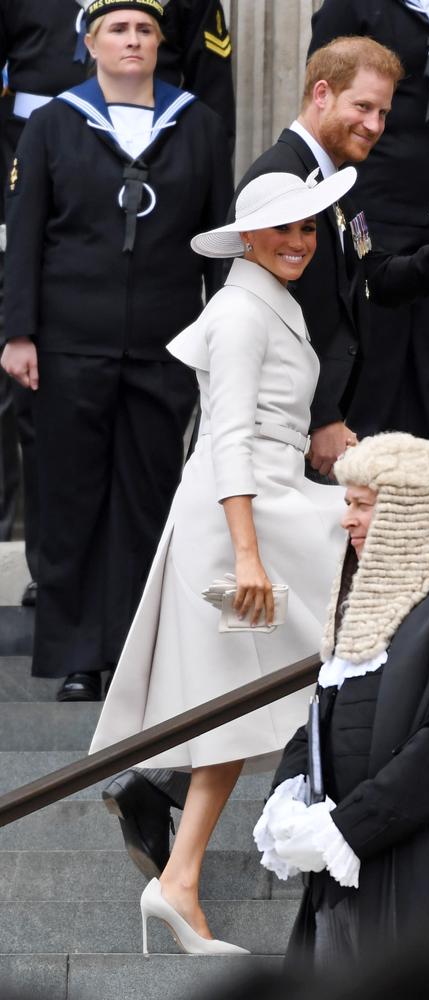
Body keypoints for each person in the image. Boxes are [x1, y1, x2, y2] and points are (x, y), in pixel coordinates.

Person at [101, 32, 429, 879]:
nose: (376, 124)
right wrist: (320, 419)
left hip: (297, 440)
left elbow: (375, 282)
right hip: (277, 450)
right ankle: (276, 785)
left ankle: (192, 779)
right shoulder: (275, 182)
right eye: (363, 107)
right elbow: (256, 341)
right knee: (319, 615)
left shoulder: (334, 195)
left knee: (299, 627)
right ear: (320, 94)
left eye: (385, 113)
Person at [89, 165, 360, 954]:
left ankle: (177, 876)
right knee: (239, 706)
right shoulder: (242, 311)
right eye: (284, 227)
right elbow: (230, 435)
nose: (300, 242)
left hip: (268, 502)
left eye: (309, 228)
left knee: (242, 708)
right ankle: (177, 874)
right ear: (247, 237)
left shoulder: (265, 303)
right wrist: (246, 554)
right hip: (239, 514)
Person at [0, 0, 233, 701]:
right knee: (71, 499)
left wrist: (218, 334)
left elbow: (217, 242)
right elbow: (28, 234)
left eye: (144, 30)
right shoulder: (51, 126)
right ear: (91, 43)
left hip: (162, 345)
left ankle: (137, 653)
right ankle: (78, 658)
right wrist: (17, 333)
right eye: (118, 30)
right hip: (70, 342)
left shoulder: (197, 127)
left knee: (145, 499)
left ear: (162, 43)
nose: (132, 41)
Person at [254, 432, 429, 967]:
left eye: (363, 505)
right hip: (346, 882)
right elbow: (323, 716)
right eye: (347, 504)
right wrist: (287, 794)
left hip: (428, 881)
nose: (348, 520)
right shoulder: (360, 608)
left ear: (411, 514)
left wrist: (348, 829)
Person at [309, 0, 429, 445]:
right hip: (370, 216)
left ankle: (424, 505)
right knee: (371, 379)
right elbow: (324, 107)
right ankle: (357, 507)